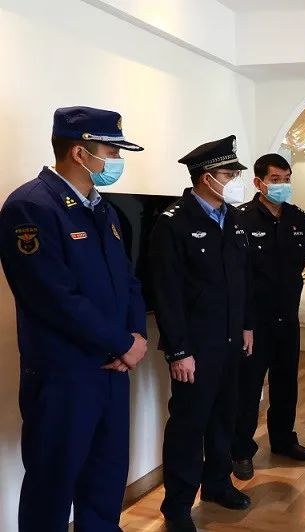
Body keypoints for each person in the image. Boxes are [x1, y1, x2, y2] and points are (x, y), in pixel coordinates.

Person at [0, 106, 148, 531]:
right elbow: (53, 298)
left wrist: (135, 335)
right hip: (65, 376)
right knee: (52, 483)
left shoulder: (104, 210)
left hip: (113, 371)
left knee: (106, 477)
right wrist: (122, 343)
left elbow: (128, 281)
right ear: (81, 153)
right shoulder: (31, 207)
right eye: (112, 151)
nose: (117, 160)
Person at [150, 135, 253, 532]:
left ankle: (217, 484)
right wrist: (178, 351)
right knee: (188, 428)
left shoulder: (234, 219)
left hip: (230, 342)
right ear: (207, 177)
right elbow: (167, 292)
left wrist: (246, 326)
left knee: (224, 419)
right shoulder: (173, 222)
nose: (234, 181)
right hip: (195, 348)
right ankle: (177, 507)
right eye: (229, 174)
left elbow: (241, 281)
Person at [231, 153, 305, 480]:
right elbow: (239, 276)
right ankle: (241, 449)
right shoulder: (240, 219)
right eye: (275, 179)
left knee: (286, 382)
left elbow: (296, 269)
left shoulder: (300, 219)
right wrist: (245, 322)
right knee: (249, 387)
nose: (282, 185)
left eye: (287, 179)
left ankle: (282, 439)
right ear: (259, 182)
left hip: (287, 317)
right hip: (254, 322)